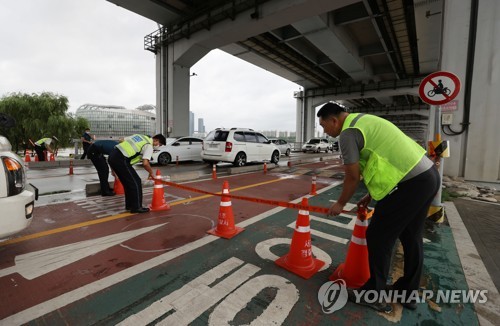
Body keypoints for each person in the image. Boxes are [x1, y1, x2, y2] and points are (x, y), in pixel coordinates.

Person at [317, 102, 440, 313]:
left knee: (378, 236)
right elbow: (385, 161)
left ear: (334, 120)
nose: (325, 131)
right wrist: (370, 195)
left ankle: (373, 294)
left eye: (324, 125)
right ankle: (407, 293)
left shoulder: (348, 134)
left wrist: (340, 203)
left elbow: (352, 176)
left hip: (409, 184)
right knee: (411, 237)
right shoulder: (364, 120)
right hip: (427, 176)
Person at [108, 134, 166, 213]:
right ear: (155, 140)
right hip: (122, 159)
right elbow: (145, 163)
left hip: (113, 155)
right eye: (160, 144)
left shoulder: (139, 136)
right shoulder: (148, 145)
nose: (158, 146)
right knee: (136, 182)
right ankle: (137, 207)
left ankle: (129, 205)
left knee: (128, 183)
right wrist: (151, 173)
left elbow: (121, 140)